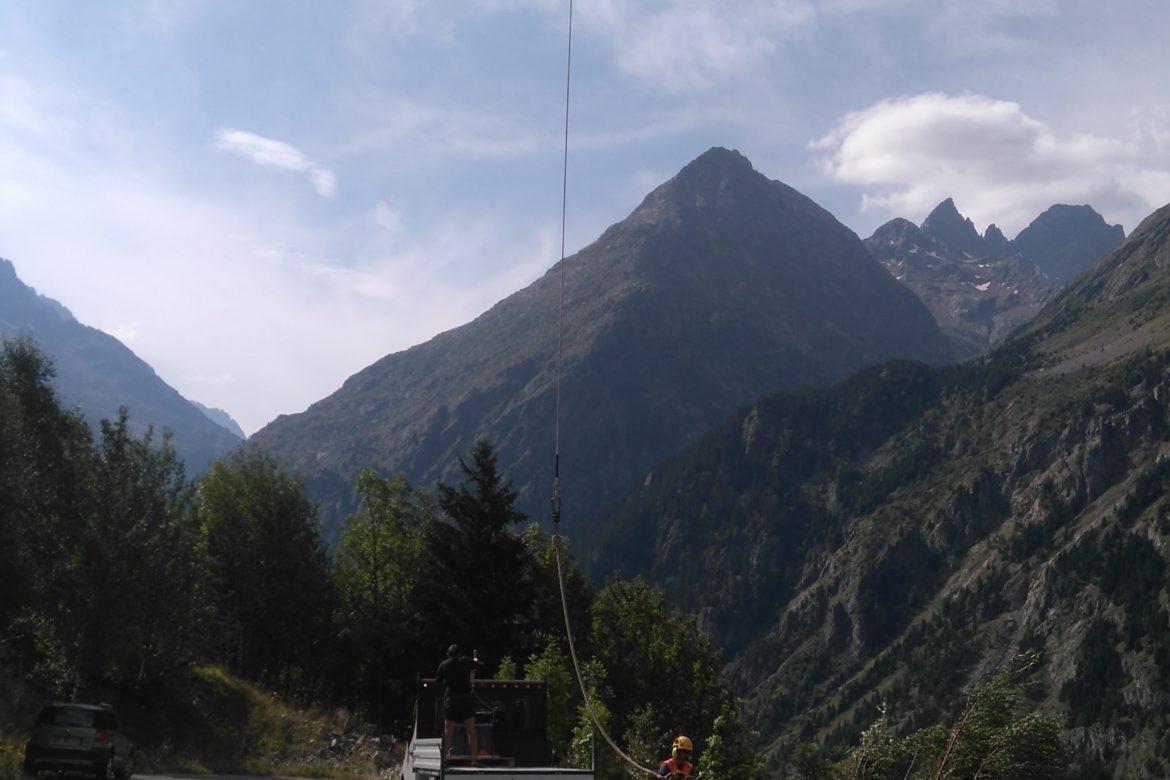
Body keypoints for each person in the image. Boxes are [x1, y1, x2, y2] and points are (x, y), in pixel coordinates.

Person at [434, 644, 481, 764]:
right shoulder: (465, 661)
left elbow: (438, 683)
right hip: (465, 700)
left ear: (448, 654)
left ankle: (444, 759)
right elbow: (477, 664)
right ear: (460, 653)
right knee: (471, 731)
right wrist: (475, 659)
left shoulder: (443, 665)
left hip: (451, 700)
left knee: (448, 732)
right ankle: (474, 759)